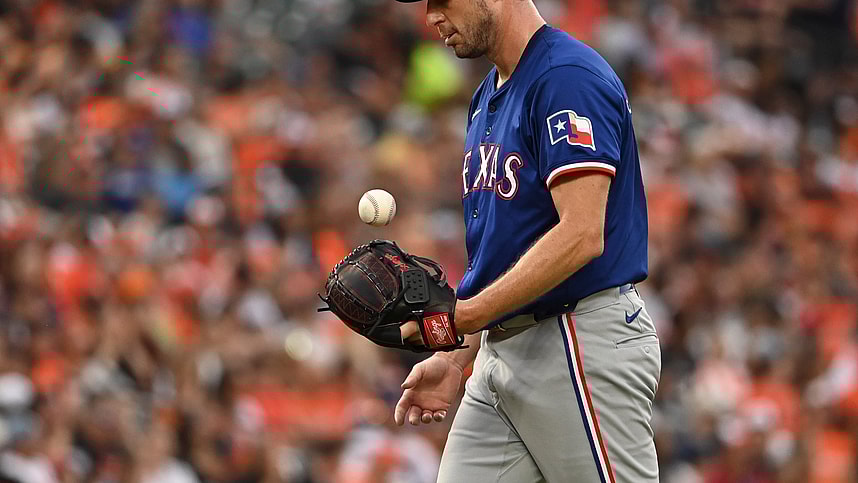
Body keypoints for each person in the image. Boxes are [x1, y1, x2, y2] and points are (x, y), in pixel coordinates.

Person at [392, 0, 660, 482]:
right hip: (502, 350)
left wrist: (463, 317)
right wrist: (457, 354)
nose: (431, 16)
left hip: (578, 341)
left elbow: (581, 235)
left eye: (441, 0)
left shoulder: (565, 77)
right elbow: (503, 254)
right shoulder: (486, 96)